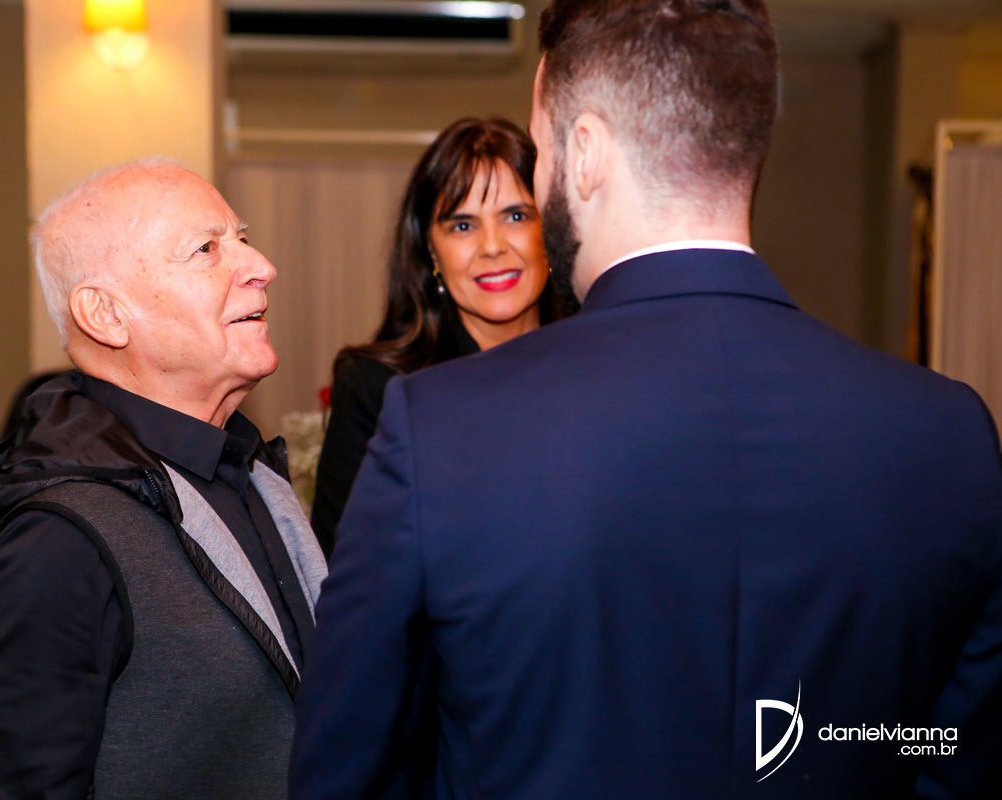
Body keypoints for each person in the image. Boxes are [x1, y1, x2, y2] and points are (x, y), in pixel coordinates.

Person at [289, 0, 1002, 797]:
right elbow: (953, 752)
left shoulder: (439, 431)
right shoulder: (951, 435)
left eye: (542, 151)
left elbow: (348, 771)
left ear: (585, 153)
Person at [0, 158, 326, 799]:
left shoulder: (242, 468)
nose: (262, 266)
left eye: (242, 238)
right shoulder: (57, 542)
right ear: (106, 315)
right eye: (206, 249)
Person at [310, 117, 567, 555]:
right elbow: (342, 565)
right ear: (431, 249)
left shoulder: (603, 366)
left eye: (516, 216)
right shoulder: (378, 388)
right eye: (463, 225)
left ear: (552, 227)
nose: (492, 246)